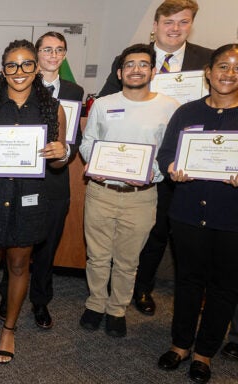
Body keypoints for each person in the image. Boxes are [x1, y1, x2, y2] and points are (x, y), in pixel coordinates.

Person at [98, 0, 212, 316]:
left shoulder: (205, 60)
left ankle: (166, 289)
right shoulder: (134, 58)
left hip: (191, 157)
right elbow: (107, 101)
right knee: (150, 229)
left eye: (183, 22)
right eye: (169, 22)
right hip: (142, 161)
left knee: (179, 231)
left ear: (191, 25)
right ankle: (134, 286)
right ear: (156, 25)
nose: (175, 28)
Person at [0, 40, 68, 364]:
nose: (19, 71)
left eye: (26, 64)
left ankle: (8, 329)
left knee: (20, 265)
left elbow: (57, 163)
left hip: (29, 198)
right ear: (3, 69)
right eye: (11, 65)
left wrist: (60, 154)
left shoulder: (53, 109)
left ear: (36, 68)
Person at [78, 44, 179, 338]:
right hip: (101, 191)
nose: (136, 70)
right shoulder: (103, 104)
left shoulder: (169, 106)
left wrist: (152, 173)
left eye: (143, 64)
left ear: (153, 70)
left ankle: (117, 309)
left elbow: (170, 151)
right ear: (120, 72)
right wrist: (94, 163)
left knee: (127, 260)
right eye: (130, 65)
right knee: (97, 256)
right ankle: (96, 303)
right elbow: (88, 142)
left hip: (142, 196)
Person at [156, 44, 238, 384]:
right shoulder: (186, 112)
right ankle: (180, 344)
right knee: (187, 282)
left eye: (236, 68)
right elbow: (164, 155)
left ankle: (204, 352)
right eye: (223, 66)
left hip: (231, 217)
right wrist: (173, 167)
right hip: (188, 212)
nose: (229, 73)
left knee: (223, 287)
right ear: (208, 71)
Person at [0, 32, 84, 330]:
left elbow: (74, 139)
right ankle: (7, 298)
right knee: (14, 244)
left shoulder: (74, 90)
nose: (54, 54)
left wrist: (64, 150)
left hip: (52, 183)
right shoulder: (11, 90)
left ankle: (40, 301)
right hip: (17, 182)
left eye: (60, 50)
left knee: (46, 248)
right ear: (35, 57)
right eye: (47, 49)